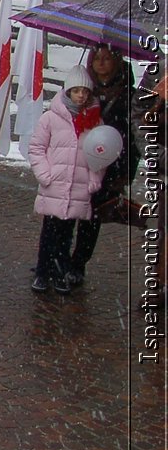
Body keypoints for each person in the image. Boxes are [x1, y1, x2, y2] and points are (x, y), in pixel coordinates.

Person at [28, 66, 107, 294]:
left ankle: (60, 272)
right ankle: (43, 271)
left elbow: (99, 155)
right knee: (49, 232)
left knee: (66, 235)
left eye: (84, 91)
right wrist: (44, 173)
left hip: (78, 188)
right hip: (55, 184)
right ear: (68, 92)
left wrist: (94, 178)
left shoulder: (95, 121)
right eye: (76, 90)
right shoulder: (51, 118)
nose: (80, 95)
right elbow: (37, 147)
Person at [70, 47, 141, 286]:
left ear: (117, 62)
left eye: (106, 59)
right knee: (66, 212)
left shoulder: (129, 96)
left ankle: (78, 263)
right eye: (97, 59)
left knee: (91, 217)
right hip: (77, 163)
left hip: (109, 166)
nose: (101, 63)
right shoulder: (82, 92)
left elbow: (134, 139)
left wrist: (124, 175)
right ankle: (55, 258)